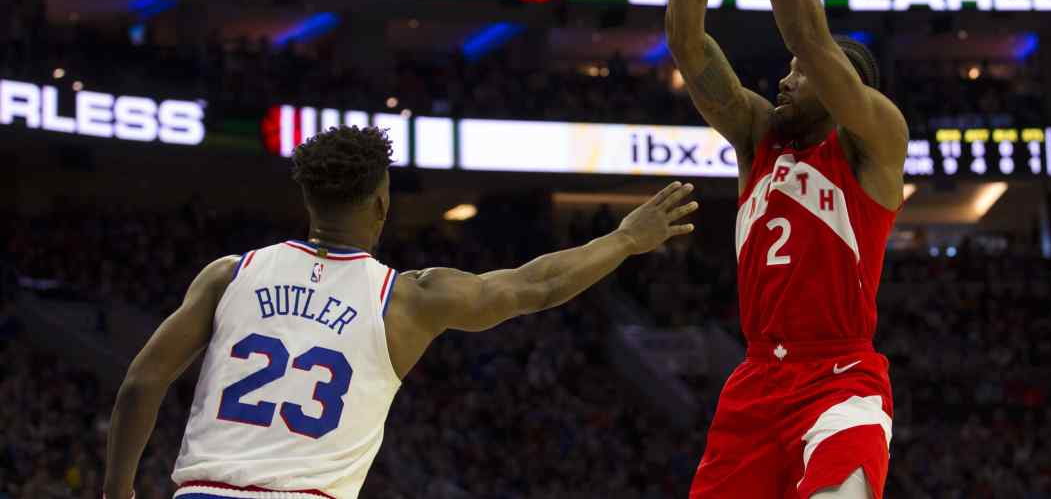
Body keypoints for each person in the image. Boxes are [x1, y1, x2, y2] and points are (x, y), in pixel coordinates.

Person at [102, 125, 699, 499]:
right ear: (383, 204)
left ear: (307, 197)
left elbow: (140, 384)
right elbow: (535, 286)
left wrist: (118, 491)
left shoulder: (230, 274)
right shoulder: (407, 298)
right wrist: (623, 239)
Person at [668, 0, 909, 499]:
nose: (783, 75)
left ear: (842, 89)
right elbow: (688, 42)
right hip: (756, 383)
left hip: (840, 379)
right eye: (785, 68)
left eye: (800, 72)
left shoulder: (874, 142)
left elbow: (809, 38)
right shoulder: (758, 137)